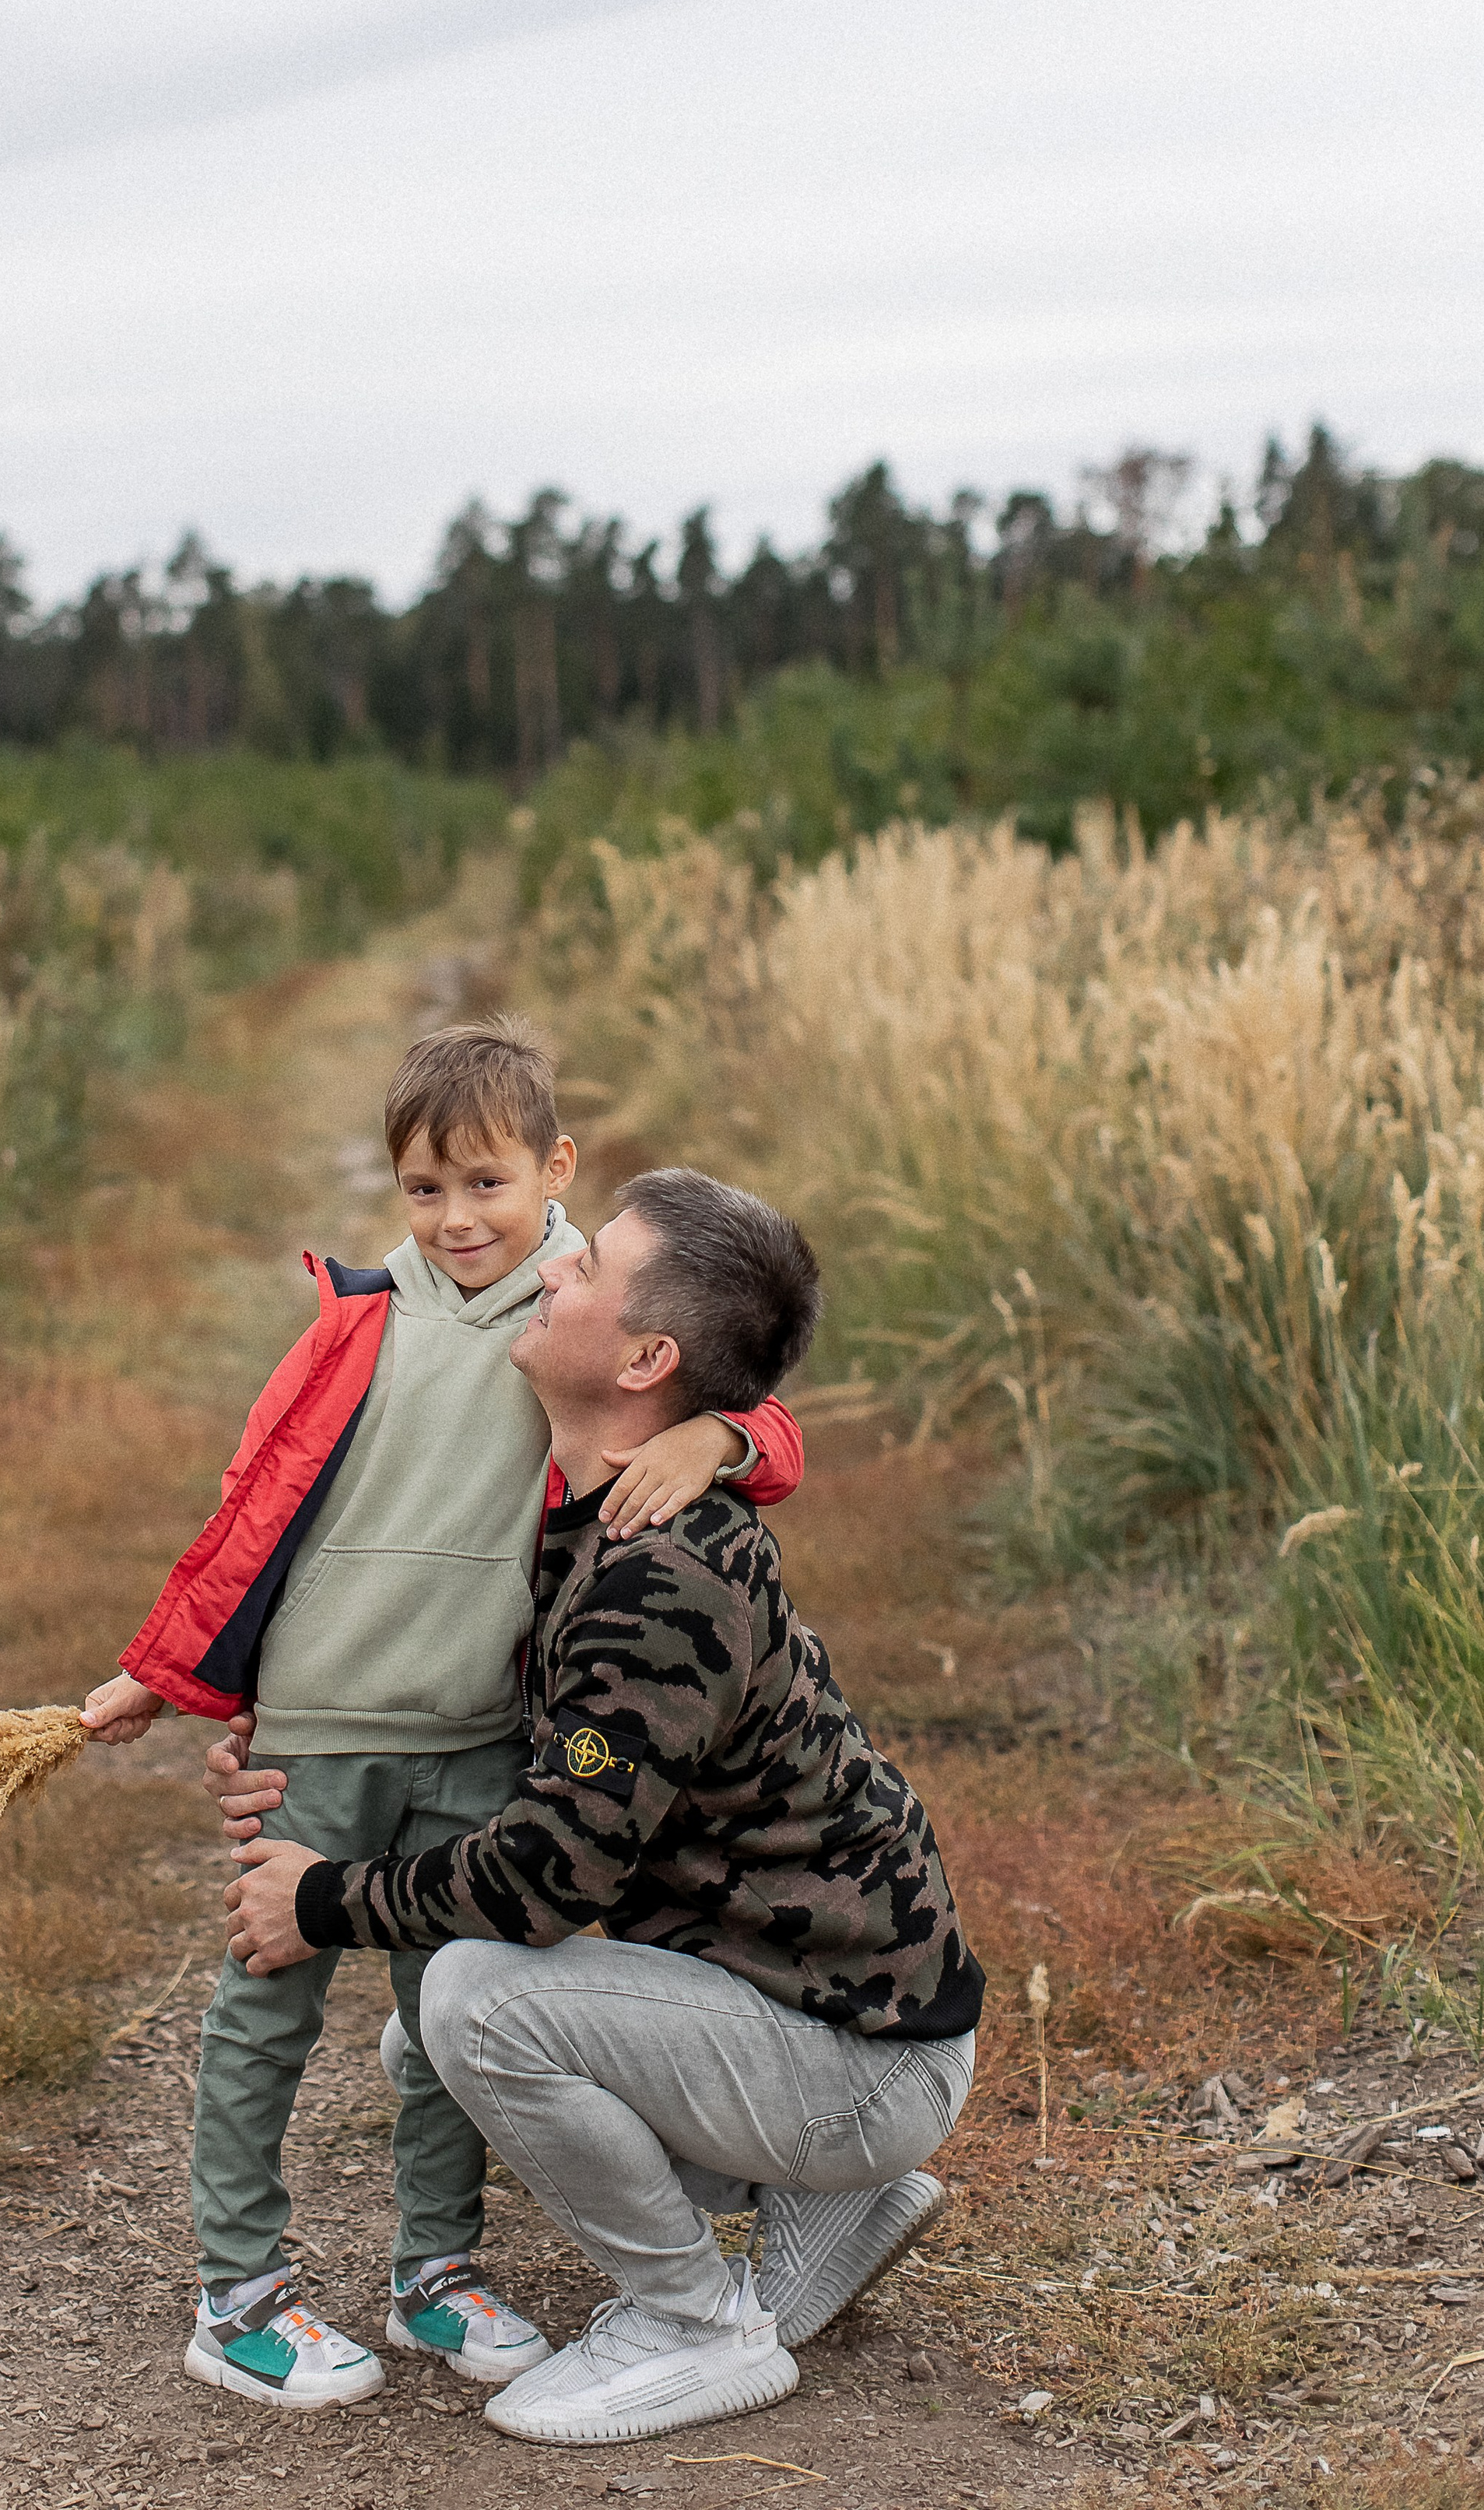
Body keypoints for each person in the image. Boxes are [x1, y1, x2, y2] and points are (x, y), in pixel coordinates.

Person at [79, 1023, 804, 2414]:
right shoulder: (356, 1325)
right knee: (265, 2007)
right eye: (425, 1188)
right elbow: (251, 1513)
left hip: (476, 1732)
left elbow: (759, 1411)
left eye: (486, 1183)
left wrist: (714, 1433)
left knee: (442, 2021)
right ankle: (237, 2293)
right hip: (322, 1724)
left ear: (556, 1168)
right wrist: (163, 1675)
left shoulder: (580, 1311)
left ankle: (436, 2270)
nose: (458, 1218)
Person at [222, 1164, 983, 2449]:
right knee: (425, 2046)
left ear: (644, 1360)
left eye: (587, 1264)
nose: (554, 1260)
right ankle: (826, 2203)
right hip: (825, 2014)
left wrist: (323, 1899)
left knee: (473, 2002)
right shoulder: (585, 1506)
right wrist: (290, 1738)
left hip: (864, 2054)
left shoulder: (660, 1578)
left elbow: (546, 1881)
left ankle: (693, 2323)